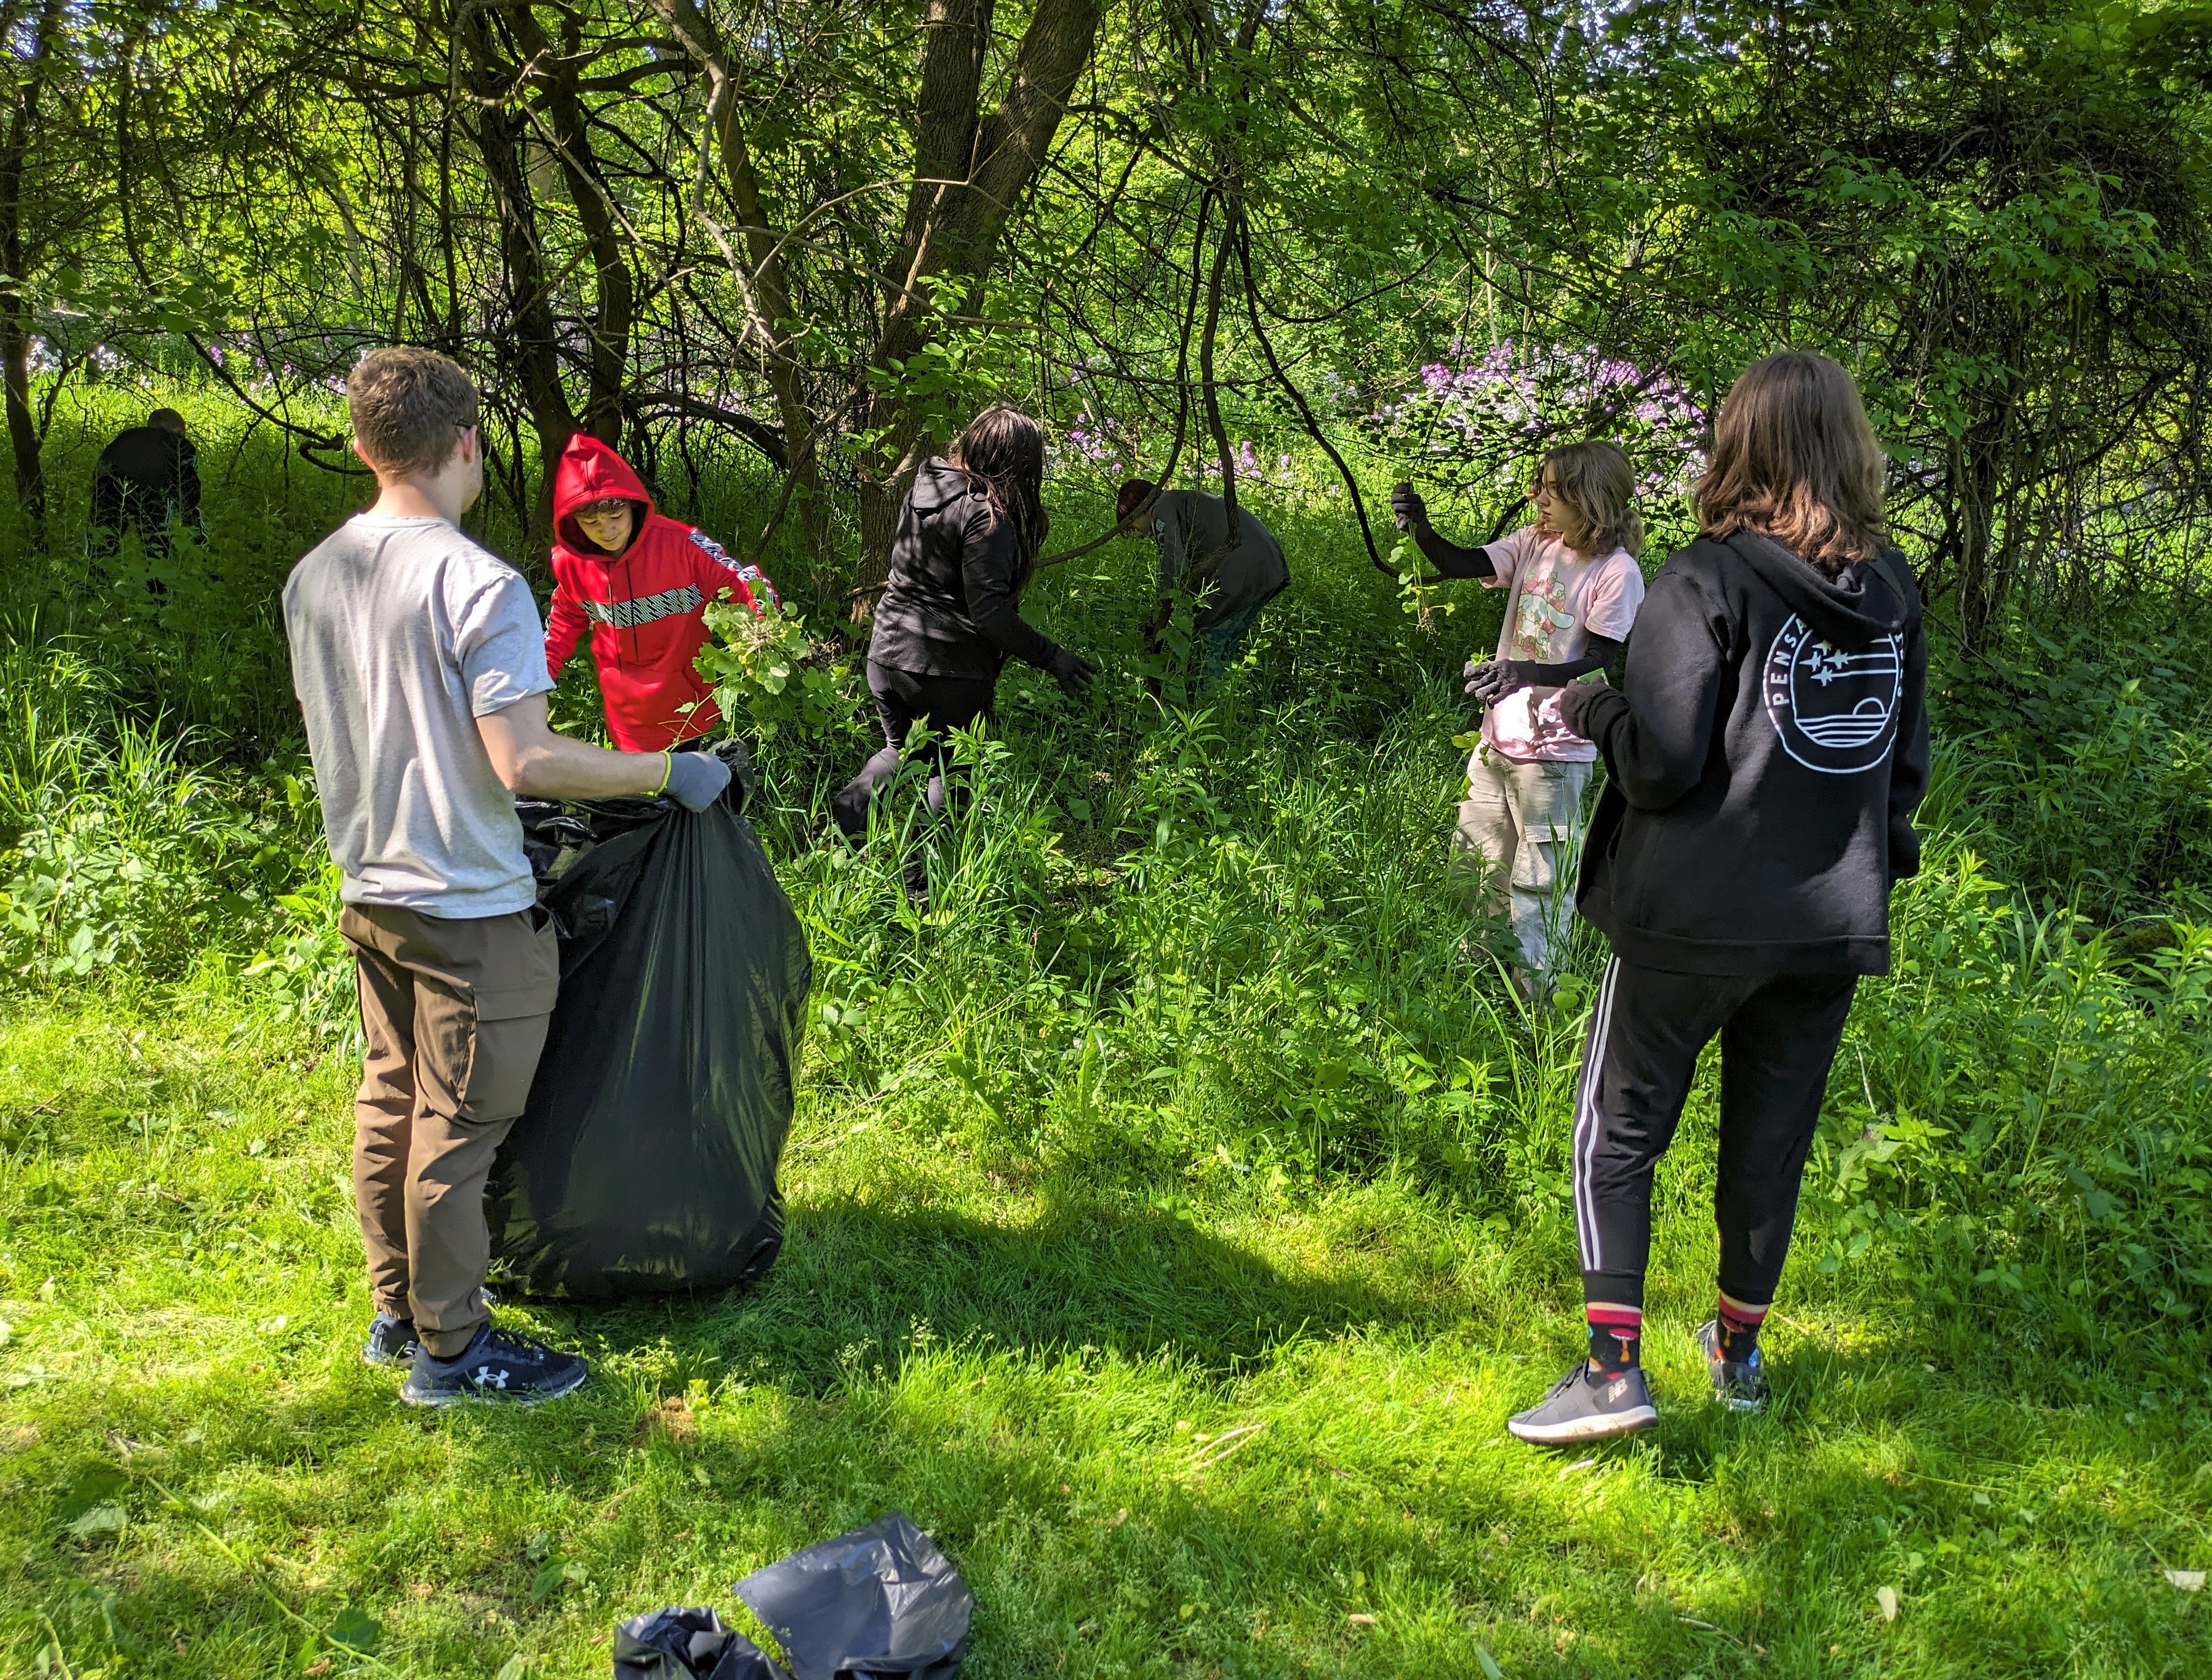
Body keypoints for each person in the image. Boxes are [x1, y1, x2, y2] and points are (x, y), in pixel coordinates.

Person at [284, 347, 733, 1408]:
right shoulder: (477, 583)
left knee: (391, 1097)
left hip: (370, 888)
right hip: (468, 903)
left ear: (362, 448)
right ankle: (453, 1350)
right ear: (470, 443)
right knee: (460, 1124)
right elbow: (522, 760)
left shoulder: (317, 574)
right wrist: (671, 770)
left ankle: (398, 1313)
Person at [1501, 352, 1929, 1444]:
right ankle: (1736, 1358)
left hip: (1689, 914)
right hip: (1827, 919)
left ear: (1737, 445)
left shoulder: (1702, 580)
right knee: (1766, 1143)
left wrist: (1590, 708)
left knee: (1620, 1129)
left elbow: (1660, 762)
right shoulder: (1888, 592)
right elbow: (1900, 767)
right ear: (1848, 447)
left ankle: (1610, 1371)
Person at [1391, 442, 1647, 1000]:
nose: (1536, 496)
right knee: (1476, 866)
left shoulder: (1616, 572)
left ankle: (1535, 1002)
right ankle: (1475, 984)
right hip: (1497, 742)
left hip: (1553, 754)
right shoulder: (1536, 543)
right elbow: (1464, 564)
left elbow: (1599, 658)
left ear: (1589, 500)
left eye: (1550, 490)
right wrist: (1423, 531)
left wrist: (1520, 672)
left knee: (1538, 882)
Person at [832, 407, 1098, 891]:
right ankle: (921, 889)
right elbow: (991, 614)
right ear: (1021, 464)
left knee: (899, 750)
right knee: (952, 768)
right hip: (945, 668)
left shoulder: (926, 487)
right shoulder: (987, 515)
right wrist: (1052, 658)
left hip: (886, 654)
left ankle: (840, 847)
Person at [543, 433, 779, 751]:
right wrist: (538, 679)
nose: (607, 531)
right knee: (638, 801)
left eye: (615, 517)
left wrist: (763, 631)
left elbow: (744, 584)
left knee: (699, 796)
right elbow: (564, 620)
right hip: (627, 720)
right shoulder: (571, 564)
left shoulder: (682, 545)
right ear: (574, 524)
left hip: (694, 711)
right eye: (592, 522)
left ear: (633, 506)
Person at [1118, 477, 1289, 686]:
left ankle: (1209, 703)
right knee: (1226, 648)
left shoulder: (1162, 508)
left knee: (1210, 644)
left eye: (1132, 523)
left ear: (1139, 509)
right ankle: (1224, 701)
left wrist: (1159, 614)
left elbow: (1173, 564)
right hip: (1268, 566)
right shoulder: (1182, 500)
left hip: (1242, 572)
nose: (1137, 532)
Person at [89, 407, 203, 563]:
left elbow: (101, 469)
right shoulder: (180, 445)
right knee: (158, 549)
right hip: (152, 494)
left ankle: (93, 581)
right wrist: (195, 529)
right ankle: (158, 584)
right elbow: (188, 491)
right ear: (179, 431)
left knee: (101, 545)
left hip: (110, 487)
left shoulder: (127, 436)